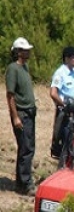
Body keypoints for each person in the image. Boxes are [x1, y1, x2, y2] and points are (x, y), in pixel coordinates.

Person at [6, 37, 37, 196]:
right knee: (26, 148)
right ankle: (26, 184)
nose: (28, 52)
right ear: (18, 52)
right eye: (25, 50)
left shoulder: (25, 67)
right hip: (22, 113)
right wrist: (16, 117)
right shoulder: (13, 69)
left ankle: (20, 182)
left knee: (29, 147)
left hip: (30, 112)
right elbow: (10, 95)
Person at [50, 46, 74, 159]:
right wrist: (64, 105)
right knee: (65, 143)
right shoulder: (60, 73)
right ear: (67, 58)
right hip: (65, 114)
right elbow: (53, 93)